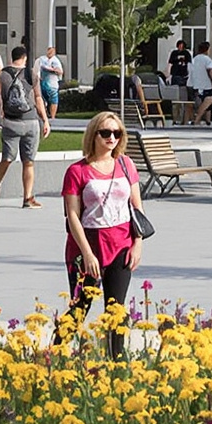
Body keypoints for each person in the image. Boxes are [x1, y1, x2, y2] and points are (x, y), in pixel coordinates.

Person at [62, 112, 145, 358]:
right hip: (87, 246)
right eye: (106, 133)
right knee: (79, 309)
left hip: (121, 245)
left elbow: (137, 208)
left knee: (116, 310)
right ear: (94, 135)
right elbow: (73, 216)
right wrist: (87, 253)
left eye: (117, 134)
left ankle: (116, 363)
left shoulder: (126, 164)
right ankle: (53, 353)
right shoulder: (77, 171)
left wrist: (137, 244)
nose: (112, 138)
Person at [0, 46, 46, 209]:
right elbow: (38, 98)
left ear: (12, 57)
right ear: (25, 57)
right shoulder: (32, 74)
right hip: (31, 122)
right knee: (29, 162)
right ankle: (27, 198)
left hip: (10, 122)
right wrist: (45, 120)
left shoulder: (3, 74)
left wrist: (1, 114)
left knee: (6, 159)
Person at [187, 44, 212, 123]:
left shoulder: (194, 59)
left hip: (195, 84)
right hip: (206, 84)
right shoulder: (207, 59)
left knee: (203, 103)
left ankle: (208, 120)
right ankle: (197, 118)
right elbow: (210, 71)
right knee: (209, 100)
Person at [37, 45, 66, 118]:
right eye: (49, 50)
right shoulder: (42, 59)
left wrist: (53, 70)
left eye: (52, 50)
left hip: (52, 84)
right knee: (42, 99)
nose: (50, 52)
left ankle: (52, 117)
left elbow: (60, 71)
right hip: (42, 83)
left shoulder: (56, 60)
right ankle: (43, 115)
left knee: (53, 100)